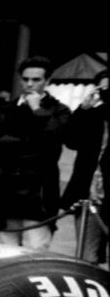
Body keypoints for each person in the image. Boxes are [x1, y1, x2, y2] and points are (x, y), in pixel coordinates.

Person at [0, 57, 74, 250]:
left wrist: (37, 109)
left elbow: (55, 138)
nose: (29, 84)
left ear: (46, 81)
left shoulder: (59, 110)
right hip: (5, 187)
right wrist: (31, 143)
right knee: (4, 248)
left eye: (36, 79)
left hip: (38, 191)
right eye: (26, 79)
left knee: (36, 248)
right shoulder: (6, 109)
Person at [60, 69, 107, 208]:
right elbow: (71, 141)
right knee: (86, 228)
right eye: (104, 88)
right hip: (86, 187)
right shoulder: (93, 114)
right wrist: (83, 109)